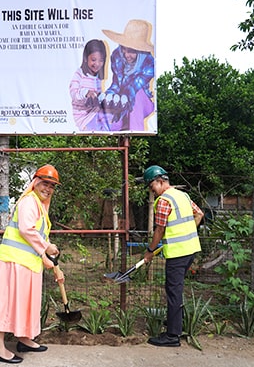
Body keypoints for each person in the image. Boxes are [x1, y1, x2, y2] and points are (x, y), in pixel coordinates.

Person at [0, 165, 63, 364]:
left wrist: (46, 254)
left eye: (52, 185)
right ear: (35, 183)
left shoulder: (38, 204)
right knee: (4, 304)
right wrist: (46, 247)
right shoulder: (29, 201)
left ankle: (23, 339)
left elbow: (34, 236)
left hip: (26, 264)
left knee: (26, 304)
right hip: (13, 262)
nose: (48, 188)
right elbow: (27, 230)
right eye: (45, 183)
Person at [141, 165, 203, 347]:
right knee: (176, 289)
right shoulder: (182, 195)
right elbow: (198, 214)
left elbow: (160, 230)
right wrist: (190, 230)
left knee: (173, 292)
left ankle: (173, 336)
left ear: (160, 181)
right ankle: (175, 322)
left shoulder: (163, 201)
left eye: (151, 185)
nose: (151, 190)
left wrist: (150, 250)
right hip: (191, 250)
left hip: (178, 254)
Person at [97, 19, 156, 132]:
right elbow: (116, 84)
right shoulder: (116, 55)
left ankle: (136, 138)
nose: (126, 54)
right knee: (105, 110)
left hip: (139, 100)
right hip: (121, 98)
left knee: (136, 98)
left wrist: (119, 106)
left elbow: (133, 88)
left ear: (139, 51)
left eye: (131, 51)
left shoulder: (149, 62)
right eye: (124, 49)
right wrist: (107, 99)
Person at [69, 39, 106, 131]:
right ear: (86, 58)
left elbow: (98, 97)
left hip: (95, 113)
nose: (97, 64)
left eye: (101, 61)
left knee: (113, 119)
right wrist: (86, 93)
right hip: (84, 118)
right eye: (93, 60)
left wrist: (101, 97)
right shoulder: (79, 74)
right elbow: (74, 94)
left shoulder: (97, 78)